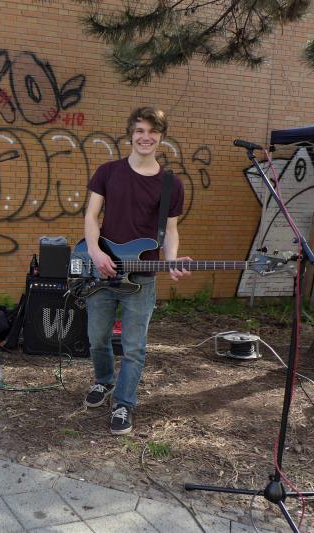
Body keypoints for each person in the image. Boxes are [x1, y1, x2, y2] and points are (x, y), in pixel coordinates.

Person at [82, 107, 191, 435]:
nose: (146, 137)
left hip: (142, 277)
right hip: (102, 271)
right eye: (140, 130)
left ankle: (124, 403)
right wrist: (95, 252)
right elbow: (91, 217)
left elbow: (170, 230)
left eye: (153, 131)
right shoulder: (108, 172)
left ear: (161, 137)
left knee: (134, 347)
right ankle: (104, 381)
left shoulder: (172, 185)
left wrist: (171, 259)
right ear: (131, 134)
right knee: (97, 339)